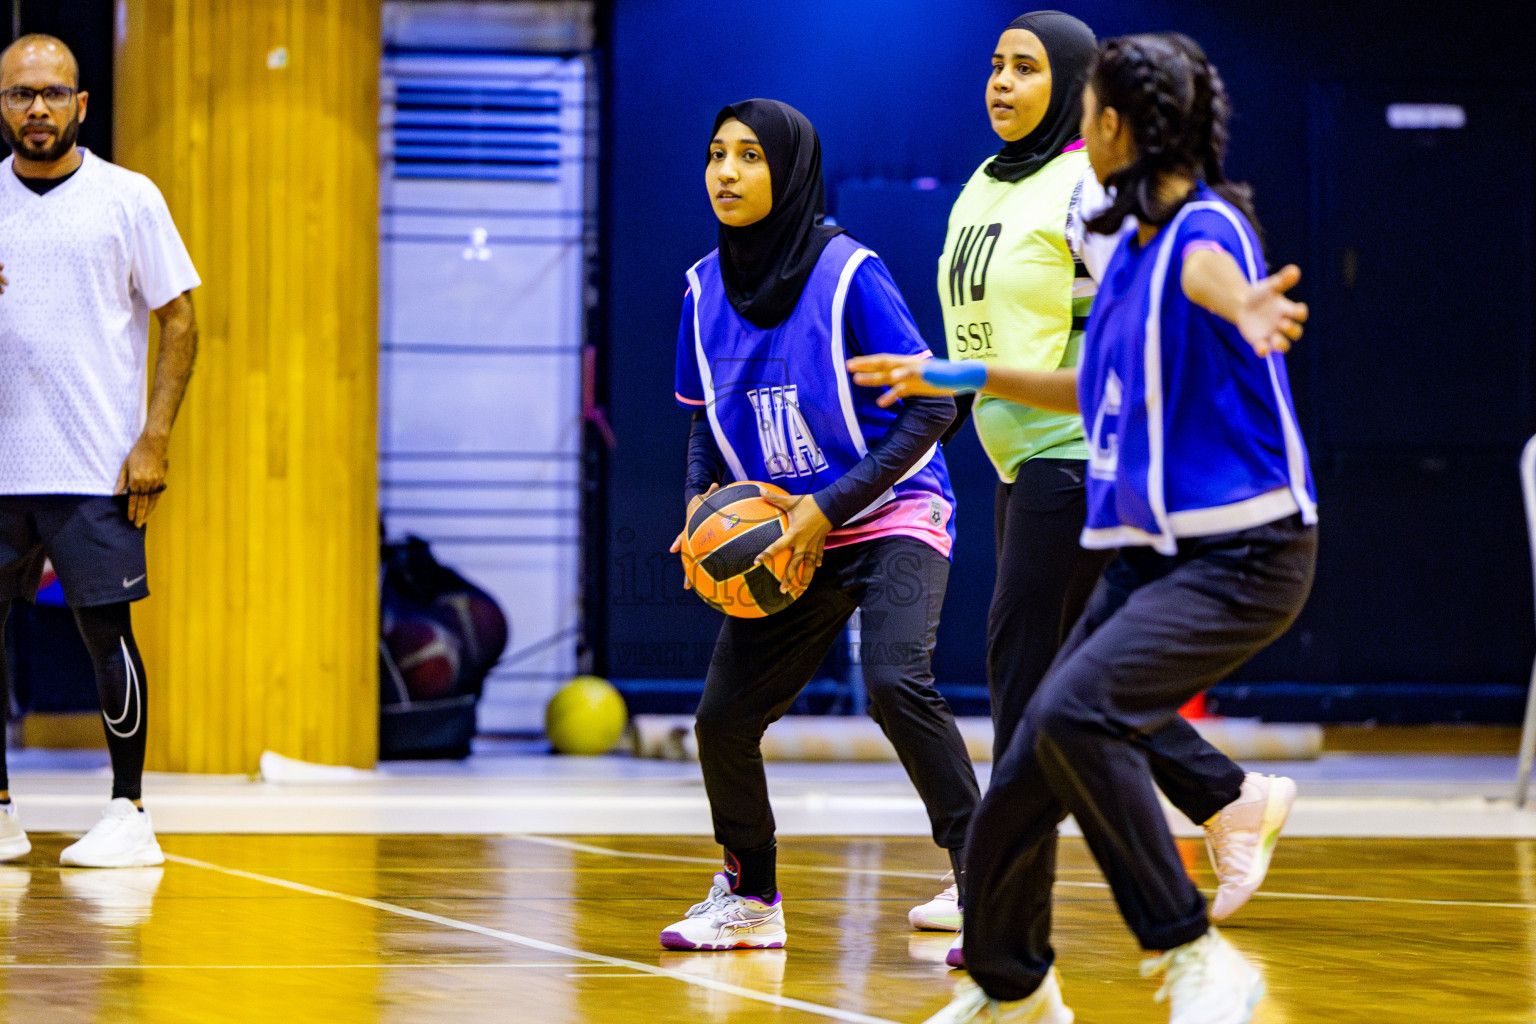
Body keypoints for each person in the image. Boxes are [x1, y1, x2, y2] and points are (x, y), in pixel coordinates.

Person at [857, 32, 1315, 1024]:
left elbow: (1213, 276)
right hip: (1149, 556)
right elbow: (1088, 381)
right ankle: (1012, 985)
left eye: (1085, 103)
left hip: (1244, 553)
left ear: (1110, 124)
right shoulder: (1131, 246)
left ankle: (1189, 951)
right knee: (1027, 759)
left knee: (1073, 715)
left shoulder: (1203, 232)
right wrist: (961, 375)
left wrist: (1245, 309)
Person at [658, 98, 980, 950]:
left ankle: (988, 883)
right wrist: (699, 501)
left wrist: (827, 508)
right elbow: (704, 418)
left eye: (750, 157)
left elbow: (935, 408)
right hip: (784, 526)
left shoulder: (851, 274)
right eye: (716, 155)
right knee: (724, 717)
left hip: (891, 507)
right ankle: (752, 898)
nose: (726, 172)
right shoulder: (700, 288)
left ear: (791, 171)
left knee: (893, 683)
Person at [0, 35, 200, 868]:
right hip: (2, 470)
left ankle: (129, 812)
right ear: (2, 105)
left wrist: (152, 438)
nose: (36, 108)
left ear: (81, 105)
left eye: (52, 93)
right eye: (20, 94)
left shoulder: (129, 197)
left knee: (104, 634)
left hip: (94, 465)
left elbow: (181, 320)